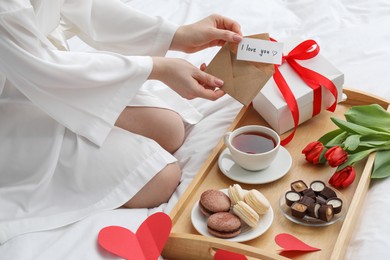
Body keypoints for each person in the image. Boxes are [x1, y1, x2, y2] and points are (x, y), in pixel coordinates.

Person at [0, 0, 242, 243]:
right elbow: (38, 63)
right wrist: (155, 68)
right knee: (162, 177)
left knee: (170, 128)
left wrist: (176, 35)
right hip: (21, 90)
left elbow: (78, 5)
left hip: (42, 72)